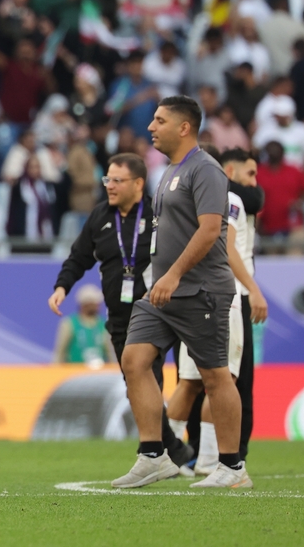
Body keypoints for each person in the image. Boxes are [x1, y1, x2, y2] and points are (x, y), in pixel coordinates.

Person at [113, 96, 248, 490]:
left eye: (159, 120)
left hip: (199, 290)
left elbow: (210, 230)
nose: (151, 127)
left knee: (214, 376)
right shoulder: (171, 170)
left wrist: (171, 275)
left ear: (184, 127)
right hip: (163, 291)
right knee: (134, 360)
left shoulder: (206, 170)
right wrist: (161, 278)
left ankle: (232, 467)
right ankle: (154, 455)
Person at [49, 152, 193, 468]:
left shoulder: (160, 214)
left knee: (152, 381)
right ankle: (176, 452)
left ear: (138, 183)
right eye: (107, 179)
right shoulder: (101, 216)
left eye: (117, 180)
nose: (110, 186)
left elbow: (186, 253)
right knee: (137, 387)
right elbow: (78, 258)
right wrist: (62, 287)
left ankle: (161, 453)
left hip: (157, 313)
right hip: (118, 318)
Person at [167, 148, 269, 475]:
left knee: (190, 382)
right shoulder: (230, 199)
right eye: (249, 173)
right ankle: (214, 461)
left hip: (190, 295)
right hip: (227, 296)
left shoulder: (182, 201)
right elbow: (227, 248)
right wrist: (253, 289)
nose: (253, 183)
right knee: (224, 381)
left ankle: (160, 454)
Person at [52, 284, 112, 365]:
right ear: (86, 304)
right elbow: (60, 353)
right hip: (75, 374)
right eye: (95, 302)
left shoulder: (104, 326)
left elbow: (111, 354)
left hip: (99, 375)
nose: (98, 305)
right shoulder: (69, 324)